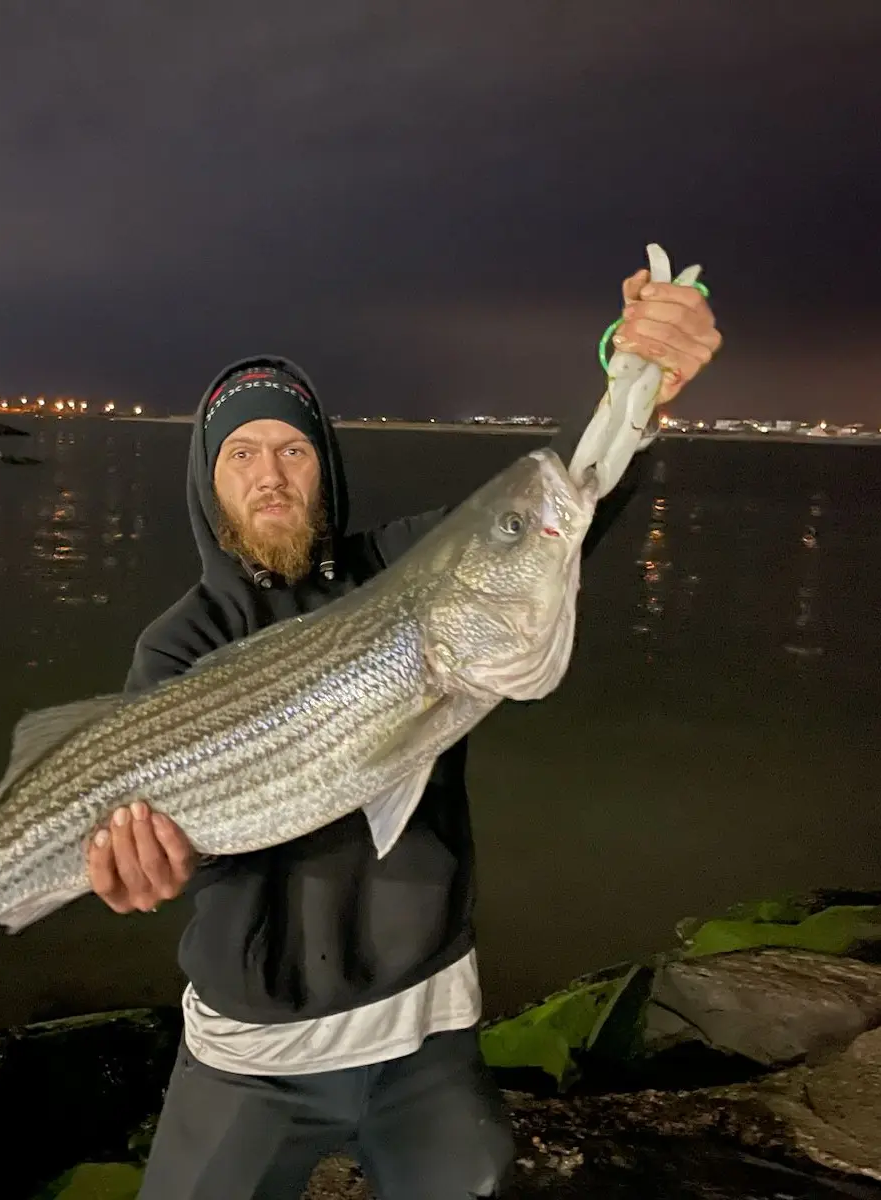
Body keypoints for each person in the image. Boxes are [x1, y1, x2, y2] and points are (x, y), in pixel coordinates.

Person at [85, 268, 722, 1199]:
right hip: (253, 1058)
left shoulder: (402, 570)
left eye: (295, 451)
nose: (271, 474)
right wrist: (146, 864)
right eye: (243, 455)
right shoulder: (180, 643)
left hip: (429, 1032)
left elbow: (556, 505)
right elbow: (179, 840)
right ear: (209, 484)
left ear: (326, 468)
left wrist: (632, 384)